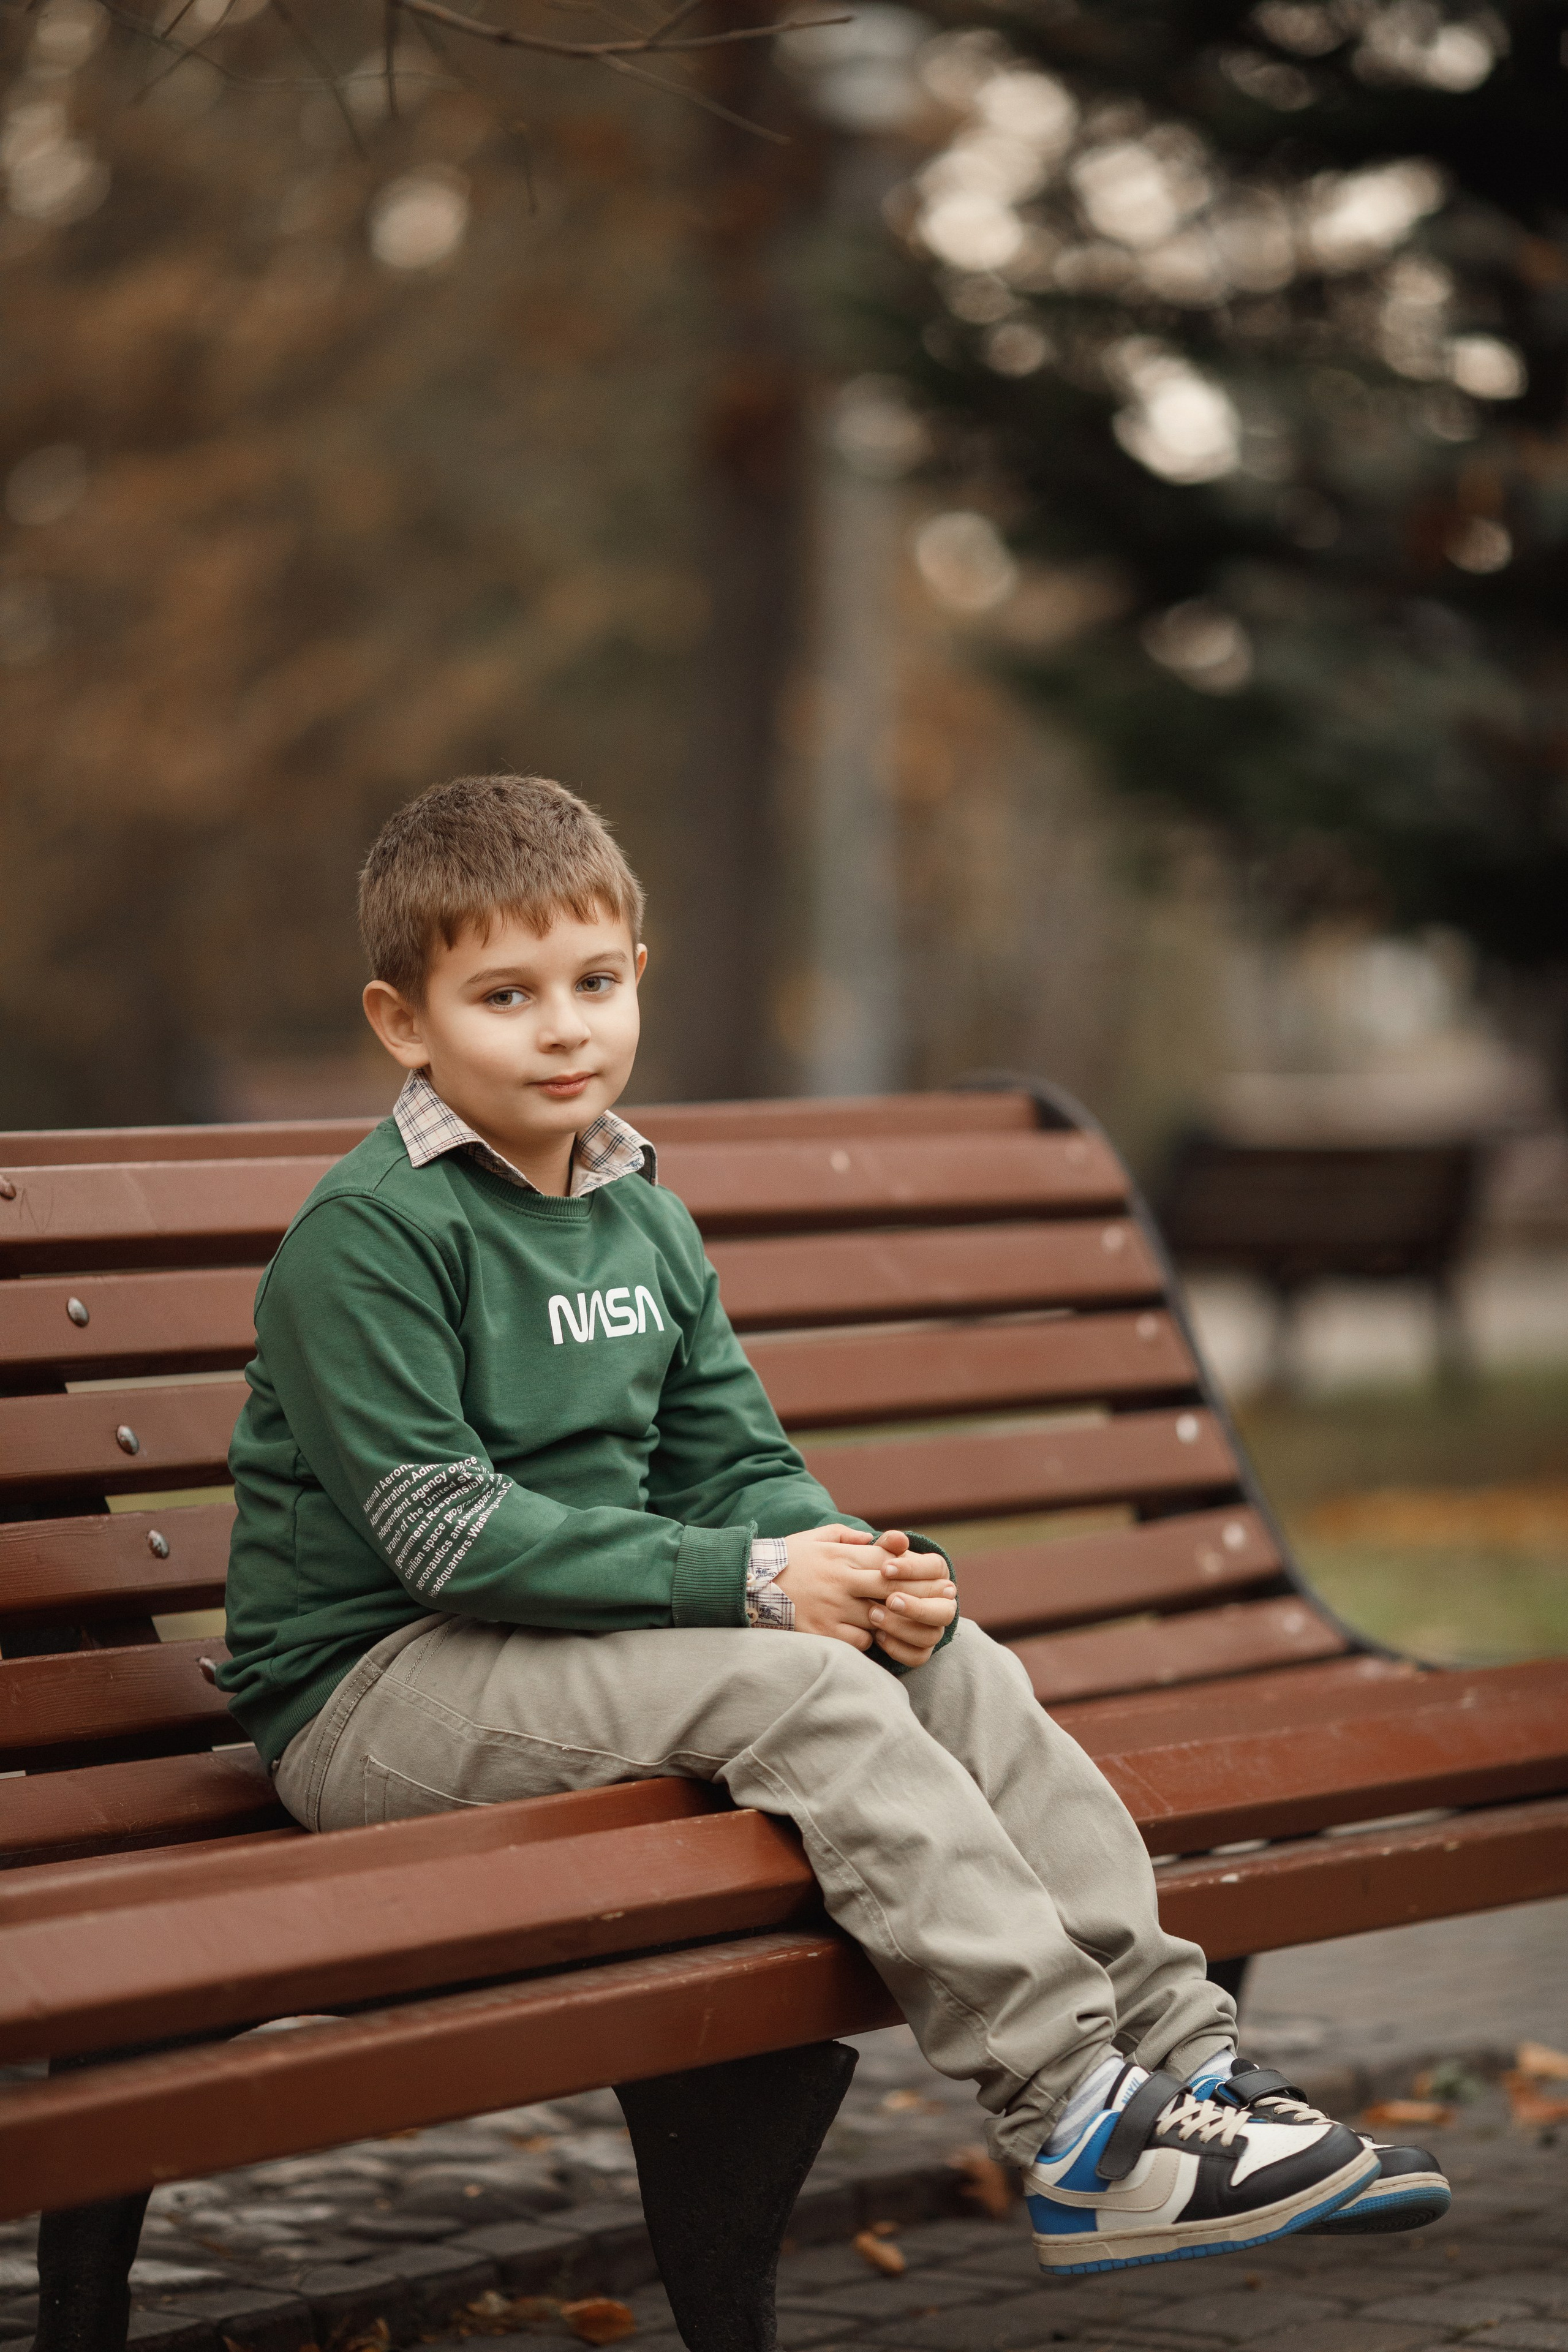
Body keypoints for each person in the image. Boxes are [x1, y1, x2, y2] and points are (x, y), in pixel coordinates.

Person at [219, 774, 1449, 2277]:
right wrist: (751, 1586)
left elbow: (733, 1457)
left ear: (636, 980)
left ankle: (1185, 2074)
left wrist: (857, 1570)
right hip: (377, 1687)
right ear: (404, 1022)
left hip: (567, 1646)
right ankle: (1076, 2128)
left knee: (952, 1663)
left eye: (593, 983)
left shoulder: (641, 1215)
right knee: (793, 1682)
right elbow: (443, 1533)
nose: (562, 1028)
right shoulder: (376, 1237)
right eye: (504, 994)